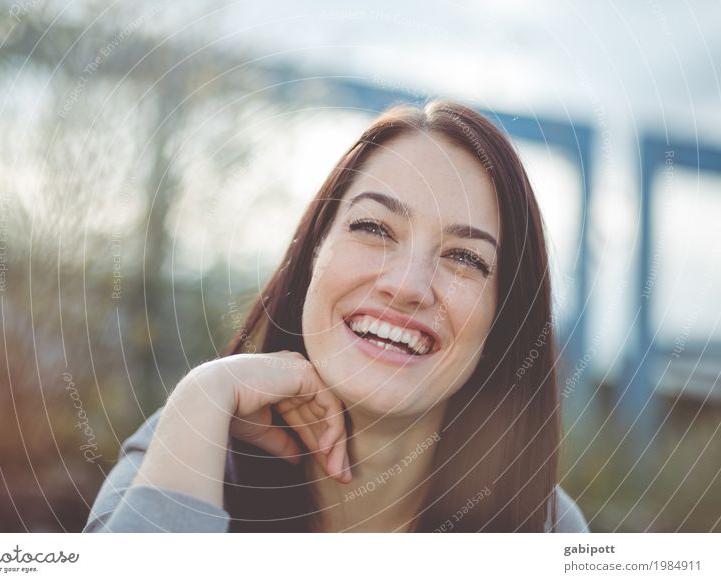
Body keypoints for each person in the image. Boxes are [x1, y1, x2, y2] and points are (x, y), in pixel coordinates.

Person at [84, 100, 590, 533]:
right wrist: (201, 395)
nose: (406, 286)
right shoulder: (184, 450)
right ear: (313, 256)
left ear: (504, 318)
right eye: (374, 227)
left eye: (465, 258)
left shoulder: (544, 531)